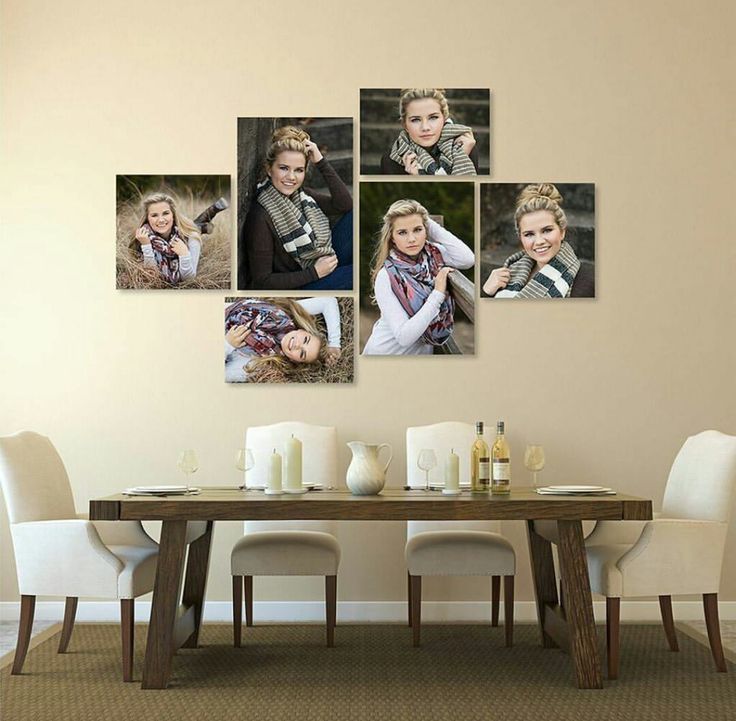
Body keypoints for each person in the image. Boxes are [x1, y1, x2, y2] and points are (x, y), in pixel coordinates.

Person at [240, 126, 353, 290]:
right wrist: (314, 273)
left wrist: (321, 162)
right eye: (284, 168)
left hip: (322, 259)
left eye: (299, 170)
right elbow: (262, 281)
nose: (291, 177)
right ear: (269, 169)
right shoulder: (260, 216)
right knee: (354, 273)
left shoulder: (302, 195)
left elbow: (345, 205)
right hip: (300, 284)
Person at [362, 199, 474, 355]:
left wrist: (426, 220)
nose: (412, 239)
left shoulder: (433, 256)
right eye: (402, 232)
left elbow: (467, 258)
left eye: (417, 230)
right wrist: (437, 294)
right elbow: (404, 337)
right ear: (392, 237)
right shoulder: (386, 276)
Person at [482, 184, 595, 299]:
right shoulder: (508, 274)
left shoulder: (590, 279)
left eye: (547, 230)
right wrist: (486, 292)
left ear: (562, 232)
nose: (539, 241)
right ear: (521, 238)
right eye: (529, 234)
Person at [225, 297, 342, 382]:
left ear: (295, 360)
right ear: (302, 330)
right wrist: (335, 344)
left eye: (302, 353)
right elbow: (328, 301)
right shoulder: (283, 315)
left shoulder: (259, 362)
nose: (298, 345)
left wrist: (228, 344)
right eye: (305, 339)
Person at [379, 89, 478, 176]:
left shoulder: (464, 147)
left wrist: (460, 158)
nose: (425, 127)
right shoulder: (391, 160)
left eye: (433, 118)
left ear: (444, 119)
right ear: (405, 125)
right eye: (415, 120)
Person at [131, 192, 202, 285]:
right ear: (147, 218)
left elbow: (189, 279)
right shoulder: (143, 237)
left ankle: (203, 222)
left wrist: (184, 254)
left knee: (196, 227)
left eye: (165, 213)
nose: (160, 220)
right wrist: (146, 246)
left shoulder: (192, 238)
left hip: (187, 231)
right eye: (154, 215)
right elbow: (151, 276)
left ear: (173, 215)